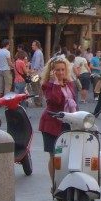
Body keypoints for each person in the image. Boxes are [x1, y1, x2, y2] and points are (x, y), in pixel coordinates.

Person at [38, 56, 78, 192]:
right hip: (51, 124)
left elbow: (74, 101)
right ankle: (55, 184)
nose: (60, 73)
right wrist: (55, 82)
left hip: (68, 123)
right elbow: (55, 100)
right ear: (51, 71)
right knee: (54, 155)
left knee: (66, 155)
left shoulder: (69, 83)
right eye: (57, 70)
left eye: (62, 69)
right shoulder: (47, 85)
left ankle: (66, 182)